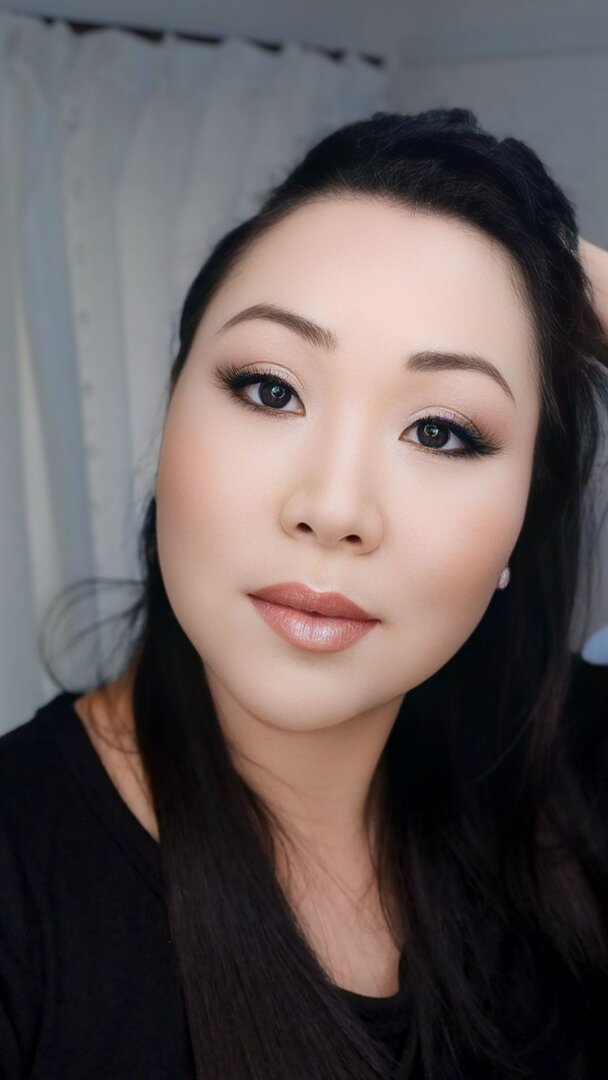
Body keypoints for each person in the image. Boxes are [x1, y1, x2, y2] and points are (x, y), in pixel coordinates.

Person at [1, 107, 608, 1080]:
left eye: (441, 431)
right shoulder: (21, 885)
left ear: (522, 524)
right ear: (171, 421)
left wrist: (545, 263)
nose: (333, 509)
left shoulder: (568, 781)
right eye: (270, 389)